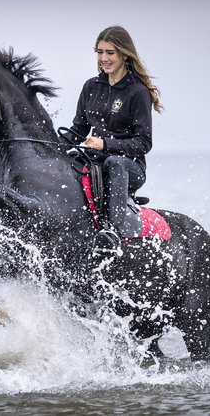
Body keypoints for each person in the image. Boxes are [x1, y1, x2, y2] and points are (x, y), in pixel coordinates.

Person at [64, 25, 163, 255]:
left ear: (124, 54)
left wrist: (106, 144)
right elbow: (78, 130)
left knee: (114, 163)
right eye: (100, 52)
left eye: (110, 52)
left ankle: (113, 232)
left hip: (129, 168)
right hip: (94, 162)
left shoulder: (137, 91)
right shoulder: (91, 86)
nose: (104, 58)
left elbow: (143, 143)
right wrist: (51, 146)